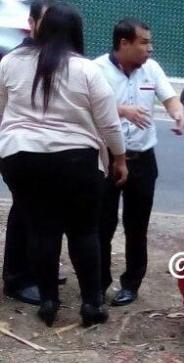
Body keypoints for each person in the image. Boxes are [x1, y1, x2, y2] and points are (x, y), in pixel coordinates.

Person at [0, 1, 127, 326]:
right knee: (84, 231)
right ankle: (91, 304)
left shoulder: (11, 62)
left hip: (21, 158)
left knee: (43, 230)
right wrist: (119, 158)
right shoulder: (86, 70)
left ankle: (48, 302)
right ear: (76, 32)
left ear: (40, 28)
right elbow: (109, 123)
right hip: (76, 161)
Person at [94, 18, 184, 307]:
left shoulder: (152, 69)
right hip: (107, 159)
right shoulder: (96, 71)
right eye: (144, 42)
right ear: (124, 44)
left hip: (144, 160)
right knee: (102, 226)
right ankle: (99, 284)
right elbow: (87, 108)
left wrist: (177, 111)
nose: (150, 48)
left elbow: (170, 97)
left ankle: (131, 284)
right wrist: (122, 111)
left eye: (149, 42)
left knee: (137, 227)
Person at [1, 0, 51, 305]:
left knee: (38, 211)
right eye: (45, 20)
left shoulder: (50, 57)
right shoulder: (15, 58)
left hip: (41, 149)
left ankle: (35, 268)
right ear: (30, 24)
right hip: (18, 148)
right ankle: (17, 278)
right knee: (26, 209)